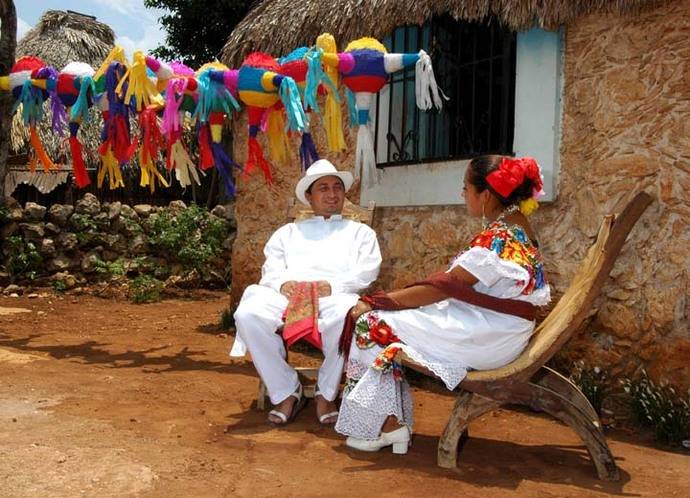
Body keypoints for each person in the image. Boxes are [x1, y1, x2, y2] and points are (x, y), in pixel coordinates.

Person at [335, 155, 551, 454]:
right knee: (394, 315)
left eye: (465, 188)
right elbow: (453, 285)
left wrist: (375, 301)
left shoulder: (500, 237)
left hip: (491, 336)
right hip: (497, 327)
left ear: (485, 195)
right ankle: (391, 423)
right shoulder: (516, 227)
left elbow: (447, 286)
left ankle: (390, 427)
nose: (462, 194)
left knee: (370, 323)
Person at [231, 159, 382, 426]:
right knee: (248, 313)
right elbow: (271, 269)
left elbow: (367, 271)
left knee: (348, 315)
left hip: (333, 297)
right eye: (323, 188)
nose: (332, 194)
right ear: (309, 197)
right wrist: (281, 284)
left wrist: (334, 286)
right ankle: (286, 390)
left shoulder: (361, 232)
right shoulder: (287, 233)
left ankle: (326, 392)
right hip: (288, 297)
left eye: (337, 187)